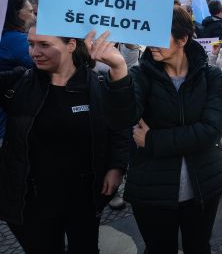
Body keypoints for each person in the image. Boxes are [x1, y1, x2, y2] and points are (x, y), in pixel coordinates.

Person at [0, 27, 134, 253]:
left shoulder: (98, 84)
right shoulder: (18, 83)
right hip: (33, 200)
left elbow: (120, 126)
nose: (34, 52)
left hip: (83, 197)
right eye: (31, 44)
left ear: (71, 45)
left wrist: (116, 166)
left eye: (44, 44)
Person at [125, 6, 222, 254]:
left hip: (203, 186)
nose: (151, 43)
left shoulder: (210, 75)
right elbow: (123, 117)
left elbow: (211, 130)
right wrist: (118, 71)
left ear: (182, 39)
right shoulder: (139, 74)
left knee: (199, 247)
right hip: (152, 190)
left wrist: (152, 140)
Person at [0, 0, 36, 144]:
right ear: (16, 14)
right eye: (30, 11)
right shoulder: (14, 39)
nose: (34, 16)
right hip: (7, 122)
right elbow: (53, 63)